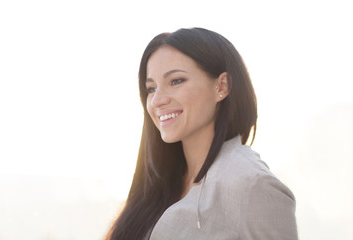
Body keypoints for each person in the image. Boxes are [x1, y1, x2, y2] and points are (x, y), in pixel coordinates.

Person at [106, 27, 298, 240]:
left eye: (176, 81)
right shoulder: (160, 183)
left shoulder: (253, 186)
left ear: (221, 86)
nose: (158, 100)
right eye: (151, 89)